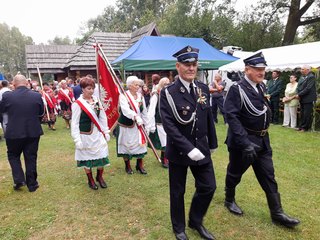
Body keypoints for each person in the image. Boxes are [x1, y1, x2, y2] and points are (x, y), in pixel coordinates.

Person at [223, 52, 300, 228]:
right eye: (258, 69)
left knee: (268, 175)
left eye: (263, 69)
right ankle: (229, 199)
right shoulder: (237, 89)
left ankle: (277, 213)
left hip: (263, 140)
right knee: (235, 172)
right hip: (244, 142)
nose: (261, 72)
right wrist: (245, 143)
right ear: (247, 69)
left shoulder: (261, 87)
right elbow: (231, 117)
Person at [160, 46, 217, 240]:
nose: (191, 68)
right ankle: (179, 228)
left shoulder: (202, 88)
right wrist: (188, 149)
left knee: (209, 186)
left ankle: (195, 220)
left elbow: (207, 116)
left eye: (194, 64)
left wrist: (213, 142)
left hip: (201, 147)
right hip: (179, 151)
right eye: (187, 65)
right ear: (178, 66)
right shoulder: (168, 92)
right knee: (178, 192)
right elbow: (169, 126)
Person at [0, 74, 44, 192]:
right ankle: (32, 184)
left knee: (13, 155)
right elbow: (41, 113)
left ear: (13, 85)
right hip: (32, 131)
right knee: (31, 157)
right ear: (27, 83)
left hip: (14, 131)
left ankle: (19, 179)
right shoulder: (36, 95)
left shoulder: (7, 96)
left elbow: (2, 110)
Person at [71, 76, 110, 190]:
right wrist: (77, 139)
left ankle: (99, 177)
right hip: (85, 135)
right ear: (82, 89)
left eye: (92, 88)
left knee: (101, 155)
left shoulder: (97, 101)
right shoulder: (78, 104)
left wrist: (106, 131)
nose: (91, 90)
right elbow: (74, 123)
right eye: (88, 88)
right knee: (86, 158)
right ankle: (90, 179)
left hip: (97, 134)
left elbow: (102, 117)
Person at [117, 76, 148, 175]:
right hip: (126, 125)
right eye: (136, 84)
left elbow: (144, 111)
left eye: (139, 85)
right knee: (127, 144)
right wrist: (135, 116)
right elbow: (125, 110)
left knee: (140, 144)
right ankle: (128, 165)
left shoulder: (140, 96)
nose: (138, 86)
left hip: (139, 125)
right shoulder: (123, 96)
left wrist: (146, 124)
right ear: (129, 86)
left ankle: (139, 165)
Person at [146, 77, 170, 168]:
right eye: (165, 84)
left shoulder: (169, 94)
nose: (167, 85)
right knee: (164, 142)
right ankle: (164, 159)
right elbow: (151, 110)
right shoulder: (156, 95)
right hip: (160, 121)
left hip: (169, 120)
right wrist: (150, 124)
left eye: (168, 84)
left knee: (169, 141)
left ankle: (168, 158)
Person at [294, 65, 317, 132]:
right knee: (302, 113)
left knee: (306, 114)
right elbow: (298, 86)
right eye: (301, 69)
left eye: (303, 69)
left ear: (308, 70)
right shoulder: (302, 77)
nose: (301, 70)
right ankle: (300, 126)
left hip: (308, 98)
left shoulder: (311, 77)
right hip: (302, 97)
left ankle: (305, 128)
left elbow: (308, 88)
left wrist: (299, 94)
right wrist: (298, 93)